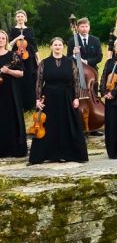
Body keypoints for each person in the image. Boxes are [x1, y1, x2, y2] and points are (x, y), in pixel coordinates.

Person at [28, 37, 89, 165]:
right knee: (47, 125)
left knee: (69, 125)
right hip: (48, 97)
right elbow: (39, 82)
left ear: (63, 47)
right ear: (51, 47)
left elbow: (76, 80)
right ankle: (44, 155)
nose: (57, 47)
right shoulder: (44, 62)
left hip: (67, 97)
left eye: (60, 44)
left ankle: (69, 154)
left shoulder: (70, 62)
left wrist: (76, 97)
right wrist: (38, 99)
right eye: (55, 45)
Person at [0, 30, 26, 158]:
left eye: (3, 38)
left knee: (11, 117)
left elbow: (21, 73)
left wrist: (8, 71)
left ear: (6, 40)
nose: (0, 40)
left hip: (10, 91)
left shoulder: (13, 55)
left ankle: (13, 148)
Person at [8, 9, 39, 111]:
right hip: (16, 58)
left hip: (29, 57)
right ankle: (19, 105)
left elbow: (34, 45)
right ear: (16, 18)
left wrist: (38, 58)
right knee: (18, 80)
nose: (20, 18)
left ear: (25, 18)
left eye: (22, 16)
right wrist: (17, 38)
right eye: (18, 16)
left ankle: (30, 105)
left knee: (29, 80)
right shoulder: (13, 30)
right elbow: (9, 45)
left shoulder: (30, 29)